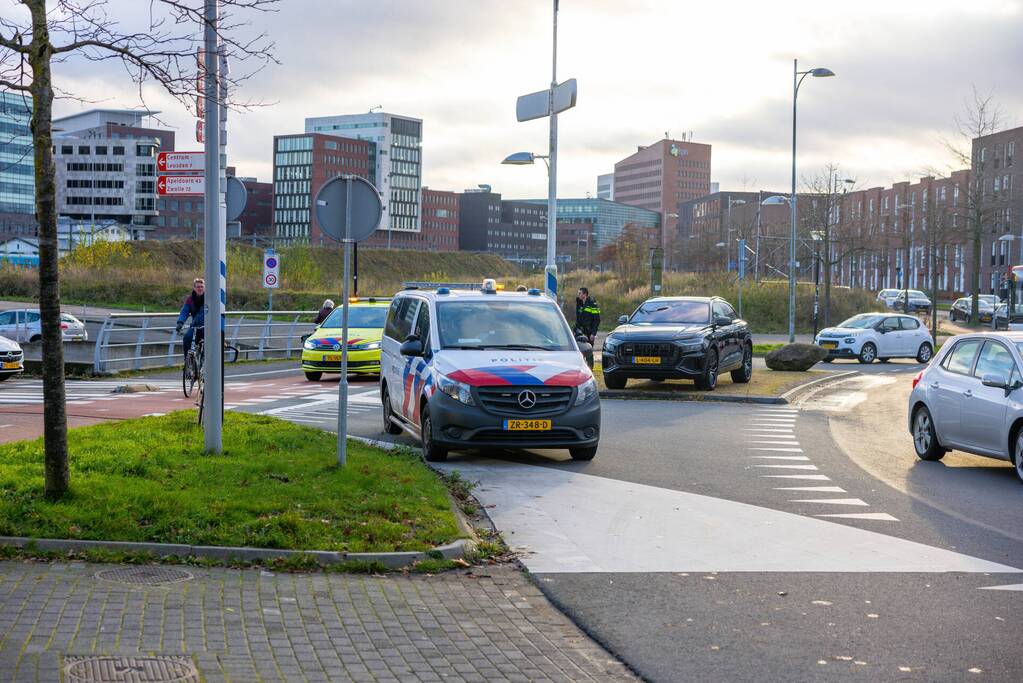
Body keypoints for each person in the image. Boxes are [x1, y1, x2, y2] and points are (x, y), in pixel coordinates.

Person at [175, 278, 205, 356]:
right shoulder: (190, 300)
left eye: (202, 286)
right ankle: (187, 362)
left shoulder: (209, 299)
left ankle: (204, 360)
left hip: (207, 327)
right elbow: (184, 312)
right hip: (195, 326)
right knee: (187, 338)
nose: (200, 288)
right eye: (198, 287)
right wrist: (180, 322)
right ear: (194, 288)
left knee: (206, 344)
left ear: (204, 288)